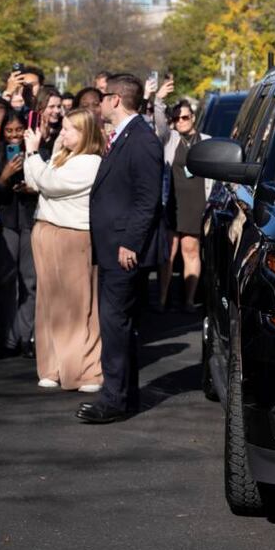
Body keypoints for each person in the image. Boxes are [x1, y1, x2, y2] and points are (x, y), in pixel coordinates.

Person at [77, 74, 163, 424]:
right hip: (113, 246)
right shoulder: (125, 135)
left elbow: (147, 199)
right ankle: (124, 396)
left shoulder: (141, 139)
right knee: (118, 325)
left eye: (103, 97)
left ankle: (113, 399)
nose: (99, 103)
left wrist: (131, 242)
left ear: (115, 99)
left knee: (114, 324)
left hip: (123, 249)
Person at [23, 107, 104, 391]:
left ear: (85, 133)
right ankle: (52, 366)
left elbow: (50, 183)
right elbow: (33, 181)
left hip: (74, 235)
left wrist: (34, 153)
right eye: (63, 127)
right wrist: (35, 153)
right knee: (49, 301)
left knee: (79, 305)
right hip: (47, 230)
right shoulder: (63, 155)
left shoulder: (91, 162)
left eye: (69, 129)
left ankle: (85, 370)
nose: (62, 132)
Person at [0, 107, 38, 358]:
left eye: (19, 130)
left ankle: (26, 336)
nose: (15, 135)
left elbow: (46, 184)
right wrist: (3, 178)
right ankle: (7, 337)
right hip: (7, 221)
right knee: (5, 281)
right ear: (2, 132)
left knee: (30, 280)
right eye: (9, 131)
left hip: (30, 220)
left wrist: (32, 187)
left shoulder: (37, 153)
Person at [154, 98, 212, 312]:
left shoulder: (206, 141)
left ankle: (188, 300)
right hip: (172, 202)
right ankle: (162, 300)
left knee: (191, 250)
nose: (181, 121)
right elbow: (160, 124)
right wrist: (158, 101)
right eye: (176, 118)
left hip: (196, 203)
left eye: (185, 117)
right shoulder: (170, 139)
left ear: (193, 118)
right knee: (168, 252)